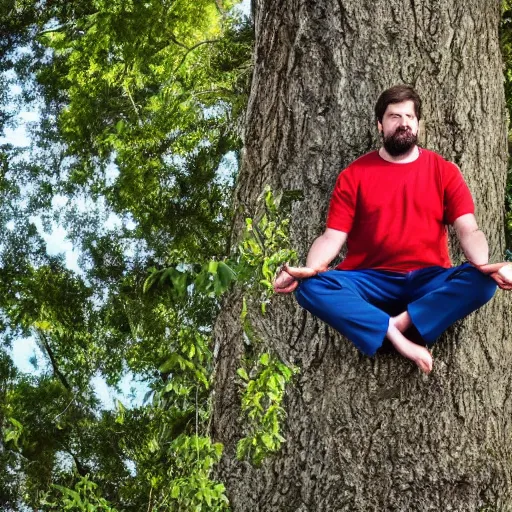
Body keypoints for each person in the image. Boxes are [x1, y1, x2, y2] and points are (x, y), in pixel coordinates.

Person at [273, 85, 512, 374]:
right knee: (309, 288)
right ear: (380, 124)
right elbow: (331, 237)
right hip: (369, 281)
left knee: (483, 283)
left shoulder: (444, 171)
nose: (404, 124)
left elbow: (469, 230)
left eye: (410, 117)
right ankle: (394, 331)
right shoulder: (355, 175)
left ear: (418, 124)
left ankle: (399, 323)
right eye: (394, 116)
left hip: (428, 279)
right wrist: (308, 270)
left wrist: (485, 266)